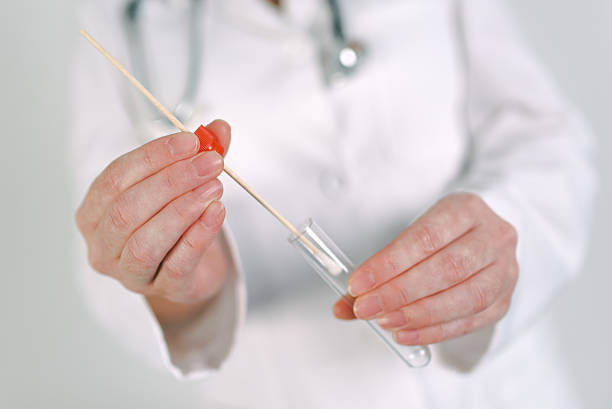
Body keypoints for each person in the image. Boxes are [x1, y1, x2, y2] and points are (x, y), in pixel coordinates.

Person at [72, 0, 596, 407]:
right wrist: (181, 286)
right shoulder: (125, 22)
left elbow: (545, 137)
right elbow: (103, 258)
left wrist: (504, 228)